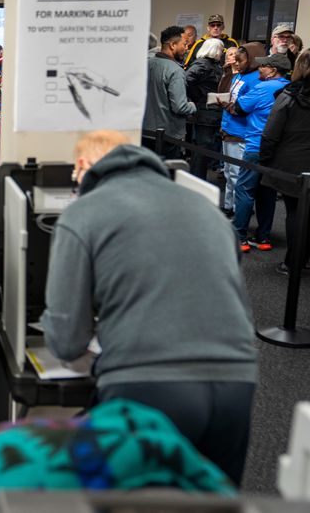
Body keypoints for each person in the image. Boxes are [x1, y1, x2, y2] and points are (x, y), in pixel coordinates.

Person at [40, 130, 257, 485]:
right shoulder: (207, 208)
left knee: (137, 501)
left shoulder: (83, 213)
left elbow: (66, 341)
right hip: (236, 379)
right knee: (213, 501)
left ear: (82, 166)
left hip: (148, 382)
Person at [232, 53, 291, 253]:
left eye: (263, 66)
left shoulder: (263, 88)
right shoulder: (289, 88)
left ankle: (239, 237)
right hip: (276, 150)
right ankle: (263, 237)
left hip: (255, 147)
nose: (259, 69)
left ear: (273, 70)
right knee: (267, 192)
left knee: (244, 190)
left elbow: (239, 107)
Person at [260, 51, 310, 275]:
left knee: (294, 212)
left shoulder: (289, 95)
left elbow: (271, 133)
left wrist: (265, 160)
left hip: (292, 164)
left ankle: (293, 262)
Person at [219, 43, 267, 216]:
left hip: (241, 133)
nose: (236, 63)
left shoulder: (256, 78)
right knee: (228, 172)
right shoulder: (238, 75)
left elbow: (244, 107)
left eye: (240, 60)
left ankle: (238, 212)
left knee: (237, 175)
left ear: (252, 60)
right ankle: (228, 205)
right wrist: (227, 74)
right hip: (228, 129)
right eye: (235, 60)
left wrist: (231, 107)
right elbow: (227, 94)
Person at [142, 25, 196, 159]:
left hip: (144, 132)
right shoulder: (175, 71)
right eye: (184, 44)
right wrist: (193, 106)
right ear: (172, 45)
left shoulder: (145, 64)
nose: (187, 48)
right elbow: (180, 106)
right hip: (167, 136)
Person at [186, 38, 225, 179]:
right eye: (221, 50)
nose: (222, 53)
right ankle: (197, 180)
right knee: (202, 150)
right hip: (206, 112)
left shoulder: (212, 64)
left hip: (210, 112)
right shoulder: (203, 64)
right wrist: (199, 96)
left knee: (204, 150)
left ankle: (198, 179)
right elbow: (188, 79)